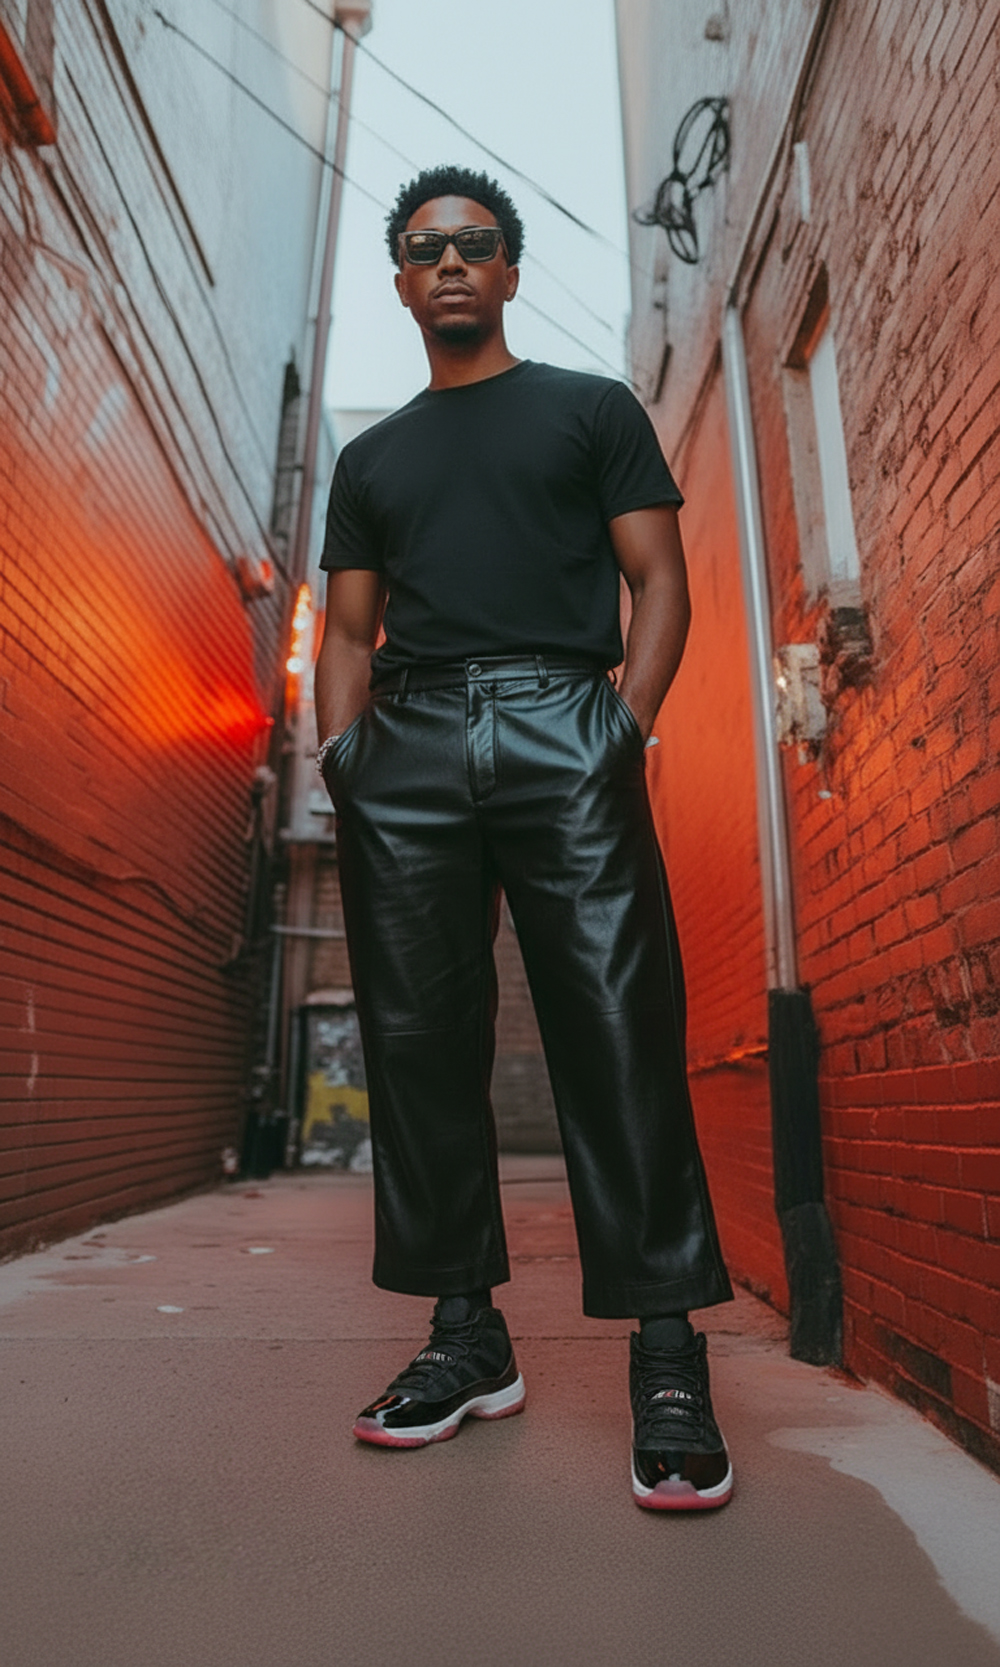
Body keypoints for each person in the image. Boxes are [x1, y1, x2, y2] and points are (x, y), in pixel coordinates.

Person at [314, 164, 734, 1510]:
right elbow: (347, 629)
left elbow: (659, 579)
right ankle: (467, 1337)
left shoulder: (589, 409)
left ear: (506, 270)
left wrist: (624, 726)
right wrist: (346, 758)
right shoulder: (371, 460)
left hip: (568, 725)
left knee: (616, 1025)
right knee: (421, 1039)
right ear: (401, 280)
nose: (450, 261)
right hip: (409, 747)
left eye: (474, 243)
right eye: (425, 247)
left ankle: (666, 1357)